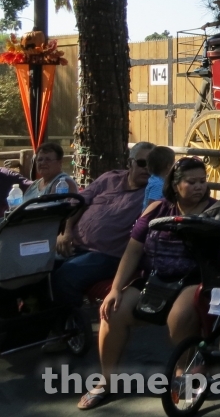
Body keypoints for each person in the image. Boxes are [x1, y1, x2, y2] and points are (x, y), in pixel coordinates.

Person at [81, 157, 220, 410]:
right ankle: (107, 381)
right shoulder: (157, 209)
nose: (199, 187)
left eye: (202, 182)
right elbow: (133, 251)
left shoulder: (216, 210)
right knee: (112, 311)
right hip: (156, 277)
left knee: (179, 317)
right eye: (191, 182)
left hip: (196, 278)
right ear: (175, 184)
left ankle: (186, 371)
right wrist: (116, 288)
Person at [43, 147, 153, 353]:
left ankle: (67, 330)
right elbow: (79, 203)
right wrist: (66, 232)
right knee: (37, 268)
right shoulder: (109, 178)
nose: (147, 169)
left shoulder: (153, 192)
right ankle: (37, 323)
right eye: (142, 163)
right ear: (130, 162)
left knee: (66, 275)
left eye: (152, 165)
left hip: (108, 255)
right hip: (74, 244)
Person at [140, 145, 174, 212]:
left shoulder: (156, 179)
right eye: (173, 162)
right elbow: (152, 205)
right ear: (169, 165)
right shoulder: (158, 184)